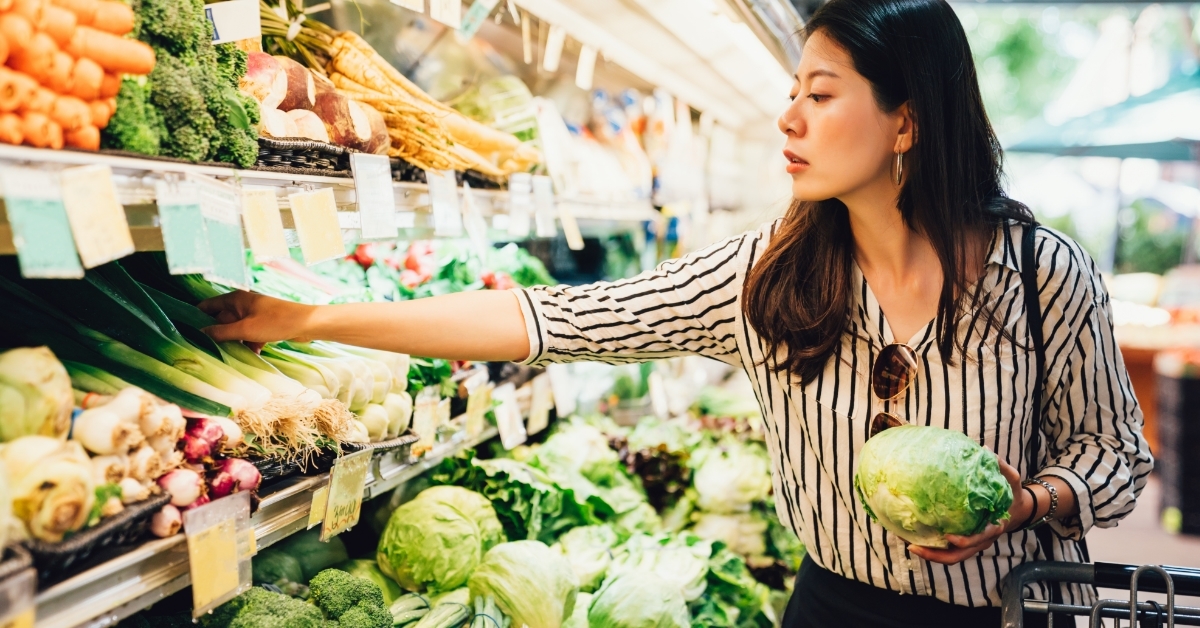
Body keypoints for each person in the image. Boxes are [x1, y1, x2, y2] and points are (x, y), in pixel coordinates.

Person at [199, 0, 1153, 625]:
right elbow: (547, 321)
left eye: (820, 96)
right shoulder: (768, 283)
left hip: (1012, 611)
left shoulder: (1041, 275)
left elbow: (1115, 457)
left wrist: (1026, 503)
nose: (789, 119)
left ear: (906, 121)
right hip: (831, 609)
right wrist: (307, 321)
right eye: (792, 94)